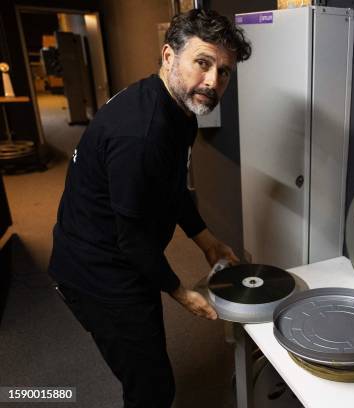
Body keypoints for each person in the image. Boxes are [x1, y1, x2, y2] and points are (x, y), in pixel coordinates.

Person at [47, 9, 251, 408]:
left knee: (149, 367)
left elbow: (171, 189)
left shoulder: (181, 113)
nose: (212, 82)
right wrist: (180, 292)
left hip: (127, 252)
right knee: (152, 387)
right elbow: (133, 238)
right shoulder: (139, 135)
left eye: (224, 71)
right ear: (168, 56)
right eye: (203, 63)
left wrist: (205, 240)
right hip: (97, 271)